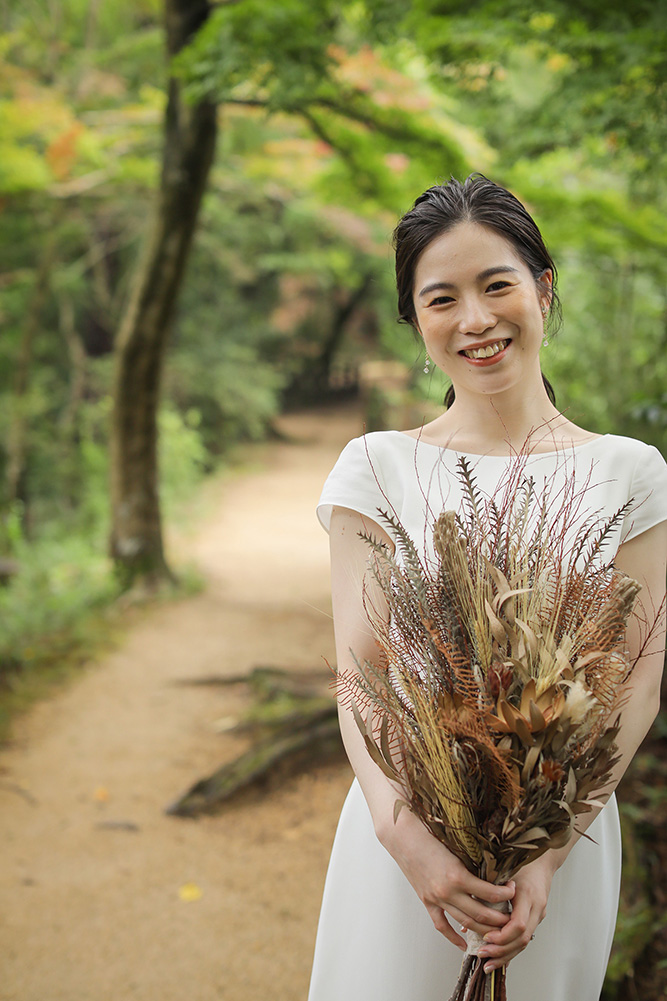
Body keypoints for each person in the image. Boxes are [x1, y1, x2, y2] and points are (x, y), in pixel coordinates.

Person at [307, 175, 667, 1001]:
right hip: (402, 831)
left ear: (542, 289)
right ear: (415, 322)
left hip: (560, 846)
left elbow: (634, 683)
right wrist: (408, 843)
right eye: (441, 298)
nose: (474, 319)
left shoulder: (628, 472)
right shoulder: (376, 467)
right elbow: (359, 674)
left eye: (496, 284)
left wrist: (544, 852)